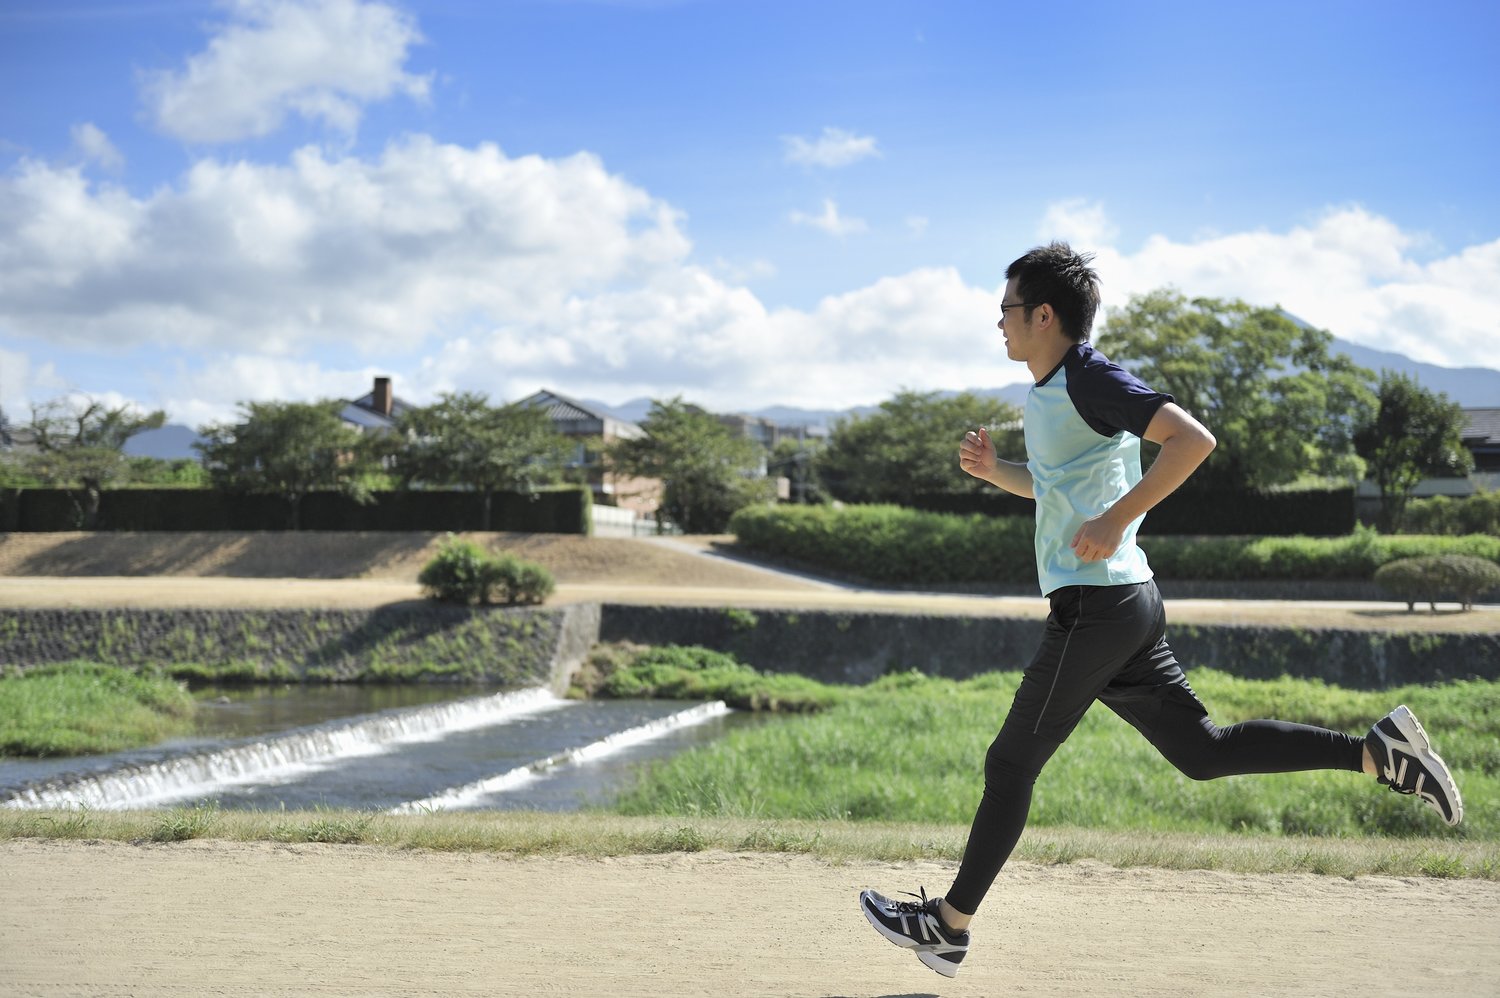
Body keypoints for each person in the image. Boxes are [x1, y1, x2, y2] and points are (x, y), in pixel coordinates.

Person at [858, 241, 1464, 979]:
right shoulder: (1050, 391)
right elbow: (1054, 487)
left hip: (1101, 606)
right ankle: (1377, 754)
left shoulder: (1089, 376)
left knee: (1010, 762)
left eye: (1008, 311)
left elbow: (1191, 441)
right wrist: (996, 473)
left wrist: (1117, 518)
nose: (1001, 326)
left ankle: (947, 927)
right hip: (1122, 602)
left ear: (1044, 314)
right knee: (1202, 752)